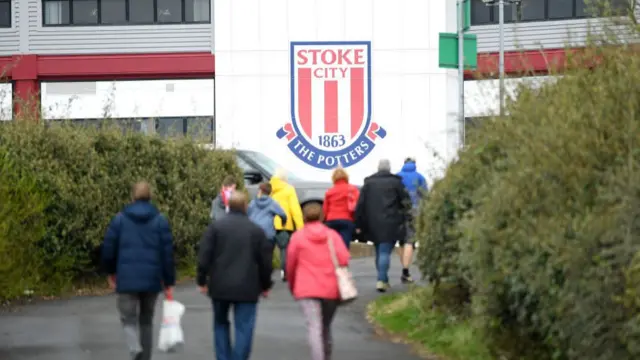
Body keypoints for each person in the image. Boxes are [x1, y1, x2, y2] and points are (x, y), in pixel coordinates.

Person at [102, 181, 176, 360]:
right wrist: (168, 281)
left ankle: (134, 346)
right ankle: (145, 357)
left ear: (132, 197)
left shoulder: (120, 219)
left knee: (128, 319)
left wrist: (110, 272)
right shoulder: (160, 220)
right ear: (150, 197)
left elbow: (109, 248)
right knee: (146, 321)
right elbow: (167, 253)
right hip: (152, 280)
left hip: (126, 279)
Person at [197, 192, 273, 360]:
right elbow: (265, 262)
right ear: (246, 206)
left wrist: (202, 280)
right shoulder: (256, 231)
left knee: (220, 324)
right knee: (244, 328)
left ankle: (223, 357)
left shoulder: (216, 228)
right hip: (247, 287)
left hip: (220, 286)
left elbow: (204, 256)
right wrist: (265, 285)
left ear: (229, 206)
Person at [286, 203, 350, 360]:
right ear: (322, 216)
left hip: (306, 289)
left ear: (304, 217)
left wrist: (293, 285)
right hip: (330, 288)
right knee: (325, 326)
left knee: (314, 326)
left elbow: (290, 264)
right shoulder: (332, 236)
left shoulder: (298, 237)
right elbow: (344, 258)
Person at [355, 159, 411, 293]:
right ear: (389, 168)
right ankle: (382, 280)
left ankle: (383, 279)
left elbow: (360, 205)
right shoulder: (396, 182)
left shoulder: (369, 183)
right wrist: (406, 218)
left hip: (372, 222)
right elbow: (406, 202)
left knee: (379, 251)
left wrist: (358, 223)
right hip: (391, 222)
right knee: (385, 251)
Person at [396, 157, 428, 283]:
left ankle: (404, 267)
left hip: (399, 212)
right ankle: (405, 270)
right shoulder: (420, 177)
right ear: (415, 164)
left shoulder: (397, 177)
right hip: (414, 211)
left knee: (401, 242)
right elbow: (425, 195)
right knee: (410, 241)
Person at [270, 169, 304, 282]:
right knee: (284, 249)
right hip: (284, 224)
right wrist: (300, 227)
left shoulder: (269, 188)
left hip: (269, 223)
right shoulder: (288, 189)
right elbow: (295, 209)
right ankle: (285, 272)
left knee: (267, 250)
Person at [323, 167, 360, 249]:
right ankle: (342, 260)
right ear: (346, 177)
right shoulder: (352, 189)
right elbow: (358, 207)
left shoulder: (330, 191)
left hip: (331, 220)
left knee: (333, 246)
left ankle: (334, 260)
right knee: (344, 246)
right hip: (346, 220)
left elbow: (325, 208)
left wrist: (325, 220)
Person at [248, 182, 288, 258]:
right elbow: (283, 215)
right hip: (268, 235)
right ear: (269, 192)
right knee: (267, 258)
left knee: (254, 258)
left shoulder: (252, 202)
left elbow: (246, 214)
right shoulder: (273, 203)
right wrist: (283, 223)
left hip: (253, 234)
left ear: (260, 191)